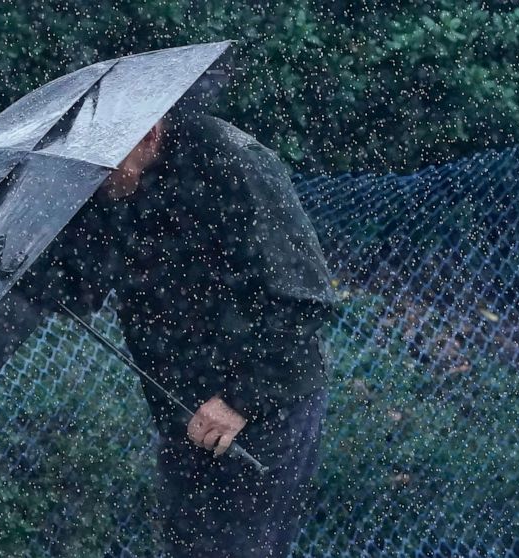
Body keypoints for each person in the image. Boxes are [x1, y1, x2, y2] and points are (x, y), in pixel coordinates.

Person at [25, 102, 341, 557]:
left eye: (102, 162)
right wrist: (16, 262)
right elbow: (81, 286)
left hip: (265, 407)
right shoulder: (120, 188)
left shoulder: (236, 163)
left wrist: (238, 400)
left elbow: (302, 301)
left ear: (149, 134)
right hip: (182, 410)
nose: (94, 177)